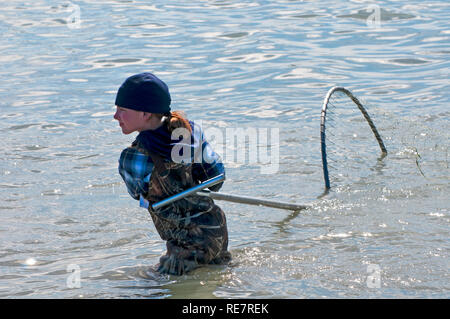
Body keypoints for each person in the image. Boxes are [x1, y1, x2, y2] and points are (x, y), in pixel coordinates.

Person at [113, 72, 231, 275]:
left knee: (147, 288)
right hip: (216, 230)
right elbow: (215, 179)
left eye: (122, 109)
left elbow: (139, 196)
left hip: (184, 245)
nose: (116, 116)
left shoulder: (132, 158)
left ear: (145, 113)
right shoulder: (191, 131)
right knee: (221, 280)